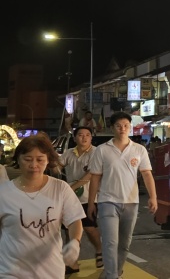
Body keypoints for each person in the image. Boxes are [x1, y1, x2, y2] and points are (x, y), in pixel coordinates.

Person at [0, 135, 85, 278]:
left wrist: (75, 242)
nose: (34, 165)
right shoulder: (4, 193)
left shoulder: (60, 188)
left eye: (40, 159)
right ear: (18, 160)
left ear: (48, 161)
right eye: (27, 159)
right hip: (11, 270)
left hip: (50, 271)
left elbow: (74, 220)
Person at [87, 112, 158, 279]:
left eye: (126, 125)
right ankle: (112, 276)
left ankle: (114, 272)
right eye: (118, 126)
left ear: (130, 127)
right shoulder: (102, 150)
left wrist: (153, 197)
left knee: (124, 244)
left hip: (131, 203)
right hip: (107, 202)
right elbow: (95, 177)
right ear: (113, 128)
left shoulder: (139, 149)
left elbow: (147, 174)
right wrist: (92, 203)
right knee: (110, 243)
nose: (122, 129)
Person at [60, 126, 103, 270]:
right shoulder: (69, 153)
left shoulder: (96, 152)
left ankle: (99, 251)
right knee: (68, 229)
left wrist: (72, 188)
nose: (84, 138)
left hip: (89, 197)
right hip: (70, 199)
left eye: (87, 135)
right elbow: (57, 165)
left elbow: (91, 174)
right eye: (80, 135)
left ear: (91, 137)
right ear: (75, 138)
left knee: (90, 228)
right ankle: (72, 261)